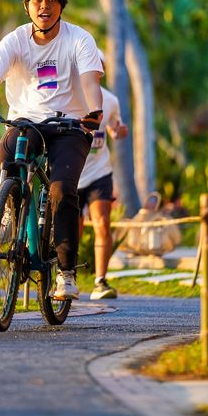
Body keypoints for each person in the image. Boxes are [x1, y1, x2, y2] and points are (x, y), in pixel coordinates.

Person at [0, 0, 103, 300]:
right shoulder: (15, 40)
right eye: (37, 0)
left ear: (61, 6)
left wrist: (94, 112)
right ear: (27, 6)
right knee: (4, 157)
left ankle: (65, 274)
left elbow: (91, 80)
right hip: (26, 121)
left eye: (51, 0)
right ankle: (10, 206)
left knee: (62, 190)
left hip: (70, 125)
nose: (44, 6)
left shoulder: (79, 40)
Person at [78, 53, 128, 299]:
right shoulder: (69, 97)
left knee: (102, 222)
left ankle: (100, 281)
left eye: (99, 67)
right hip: (73, 171)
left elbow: (114, 127)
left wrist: (118, 131)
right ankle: (67, 276)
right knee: (72, 228)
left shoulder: (110, 100)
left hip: (100, 171)